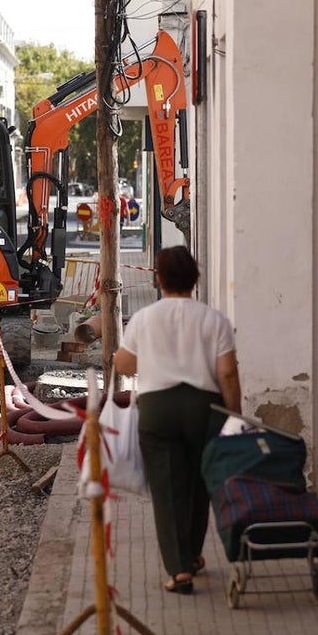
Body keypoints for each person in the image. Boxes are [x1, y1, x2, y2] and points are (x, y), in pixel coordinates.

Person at [112, 245, 243, 595]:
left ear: (159, 278)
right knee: (201, 483)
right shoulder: (214, 319)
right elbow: (228, 374)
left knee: (168, 489)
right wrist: (234, 417)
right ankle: (194, 554)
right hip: (205, 408)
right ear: (195, 278)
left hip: (158, 410)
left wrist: (147, 357)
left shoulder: (144, 318)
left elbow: (124, 365)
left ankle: (179, 569)